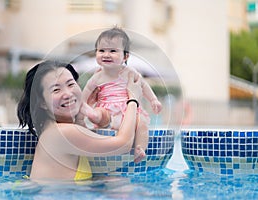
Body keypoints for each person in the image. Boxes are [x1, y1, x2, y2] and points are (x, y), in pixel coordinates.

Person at [17, 60, 142, 182]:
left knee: (113, 181)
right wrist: (133, 99)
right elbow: (123, 145)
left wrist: (83, 111)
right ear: (42, 103)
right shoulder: (62, 133)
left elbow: (100, 126)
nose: (68, 94)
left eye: (71, 84)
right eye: (56, 90)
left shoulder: (55, 129)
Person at [80, 27, 163, 163]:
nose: (106, 54)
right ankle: (94, 115)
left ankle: (139, 149)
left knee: (141, 124)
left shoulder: (130, 72)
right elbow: (85, 93)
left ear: (125, 56)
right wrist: (82, 107)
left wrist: (153, 100)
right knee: (99, 113)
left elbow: (143, 85)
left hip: (128, 113)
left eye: (113, 51)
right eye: (101, 50)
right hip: (107, 110)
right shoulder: (97, 76)